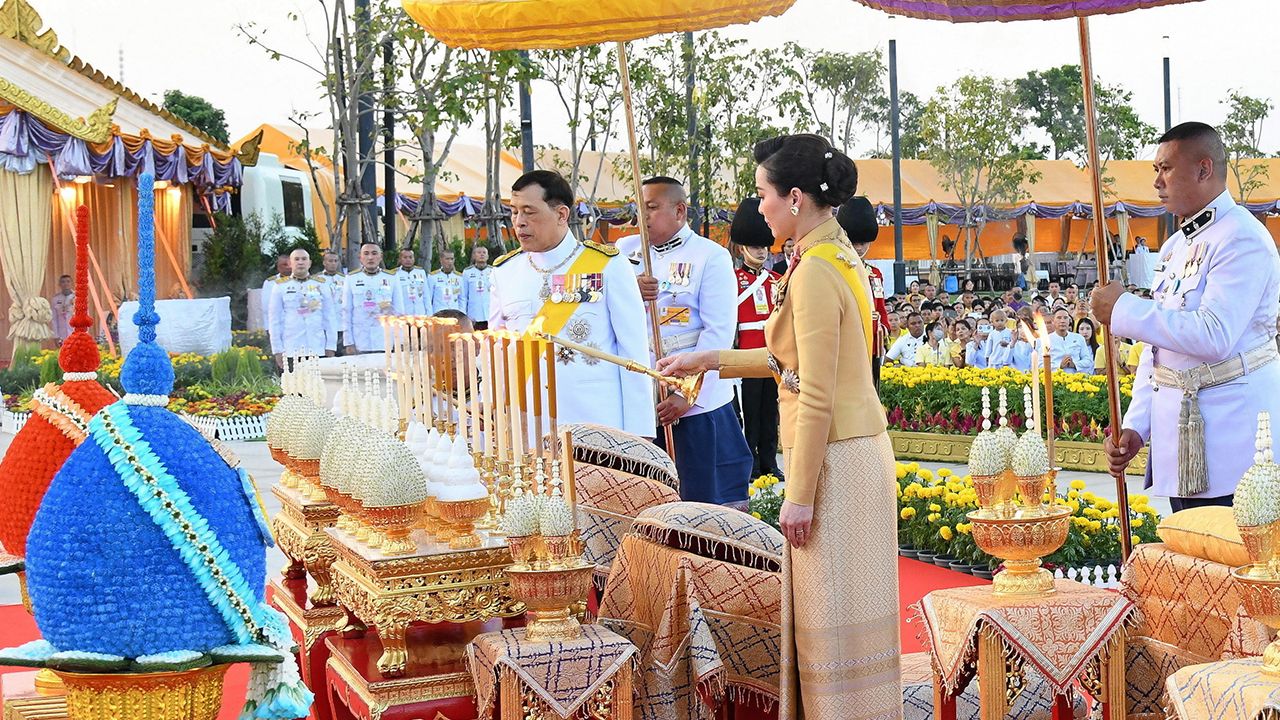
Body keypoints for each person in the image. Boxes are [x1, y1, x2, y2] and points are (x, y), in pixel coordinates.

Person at [657, 134, 898, 720]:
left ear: (794, 198)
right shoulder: (836, 253)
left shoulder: (815, 269)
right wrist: (712, 359)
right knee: (850, 625)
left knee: (831, 623)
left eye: (762, 193)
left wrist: (797, 497)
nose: (758, 206)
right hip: (854, 449)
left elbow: (814, 390)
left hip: (834, 459)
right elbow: (793, 364)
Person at [1095, 121, 1280, 511]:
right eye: (1156, 170)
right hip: (1181, 438)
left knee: (1236, 562)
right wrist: (1137, 425)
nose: (1157, 182)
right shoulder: (1175, 246)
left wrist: (1124, 308)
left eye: (1166, 168)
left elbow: (1215, 335)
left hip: (1236, 437)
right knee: (1191, 561)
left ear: (1203, 169)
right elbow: (1158, 352)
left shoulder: (1242, 237)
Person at [489, 170, 655, 438]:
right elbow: (497, 352)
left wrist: (640, 432)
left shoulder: (608, 265)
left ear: (561, 214)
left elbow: (633, 353)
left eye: (529, 212)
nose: (519, 222)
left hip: (595, 425)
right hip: (528, 427)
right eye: (514, 212)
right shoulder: (504, 272)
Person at [617, 176, 748, 506]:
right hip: (639, 396)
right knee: (644, 501)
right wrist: (629, 291)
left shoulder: (710, 256)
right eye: (639, 207)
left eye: (651, 207)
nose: (642, 216)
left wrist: (685, 393)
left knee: (701, 501)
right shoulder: (621, 253)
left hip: (693, 399)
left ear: (679, 210)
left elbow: (717, 331)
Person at [729, 197, 784, 481]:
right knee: (750, 413)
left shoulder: (775, 279)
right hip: (746, 354)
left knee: (770, 411)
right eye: (754, 246)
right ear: (741, 248)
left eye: (763, 246)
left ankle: (769, 462)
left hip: (772, 354)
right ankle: (749, 464)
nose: (761, 251)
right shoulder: (733, 278)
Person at [837, 197, 889, 385]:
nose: (859, 248)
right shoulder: (838, 271)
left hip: (873, 343)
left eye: (863, 243)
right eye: (855, 242)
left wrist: (884, 330)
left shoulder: (874, 274)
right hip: (848, 342)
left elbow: (880, 309)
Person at [268, 248, 337, 368]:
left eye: (304, 259)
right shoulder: (280, 286)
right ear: (290, 263)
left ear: (309, 263)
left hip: (317, 347)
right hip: (291, 348)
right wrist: (277, 350)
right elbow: (274, 320)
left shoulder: (321, 284)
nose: (300, 262)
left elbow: (330, 317)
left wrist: (331, 346)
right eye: (296, 259)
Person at [342, 241, 405, 353]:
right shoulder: (351, 279)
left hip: (384, 338)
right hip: (360, 339)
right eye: (366, 253)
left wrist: (399, 340)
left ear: (380, 257)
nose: (370, 257)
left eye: (374, 253)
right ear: (360, 257)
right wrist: (348, 342)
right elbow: (347, 311)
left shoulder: (391, 278)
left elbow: (399, 311)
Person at [1048, 308, 1094, 374]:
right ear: (1053, 321)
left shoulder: (1079, 338)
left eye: (1065, 318)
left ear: (1069, 321)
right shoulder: (1047, 340)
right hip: (1055, 378)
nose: (1062, 321)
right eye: (1059, 318)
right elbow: (1041, 364)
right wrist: (1059, 365)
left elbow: (1088, 361)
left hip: (1076, 379)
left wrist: (1074, 364)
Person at [320, 249, 347, 353]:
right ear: (324, 262)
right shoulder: (317, 279)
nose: (333, 264)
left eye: (336, 261)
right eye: (330, 261)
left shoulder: (345, 279)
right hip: (325, 325)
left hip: (341, 324)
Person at [462, 245, 493, 330]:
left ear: (487, 256)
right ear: (474, 256)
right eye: (479, 253)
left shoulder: (493, 271)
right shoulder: (467, 272)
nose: (481, 255)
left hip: (490, 314)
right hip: (474, 315)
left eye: (484, 253)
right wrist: (465, 316)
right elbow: (464, 296)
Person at [395, 248, 431, 316]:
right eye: (405, 257)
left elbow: (426, 295)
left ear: (414, 259)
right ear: (400, 259)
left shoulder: (421, 272)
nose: (408, 260)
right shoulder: (395, 274)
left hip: (420, 314)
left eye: (410, 257)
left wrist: (429, 314)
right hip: (404, 314)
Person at [260, 254, 290, 330]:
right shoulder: (270, 283)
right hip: (276, 326)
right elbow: (267, 306)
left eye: (290, 264)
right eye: (284, 264)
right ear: (278, 267)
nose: (288, 267)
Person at [50, 274, 74, 344]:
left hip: (75, 332)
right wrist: (56, 336)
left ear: (72, 283)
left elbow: (84, 316)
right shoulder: (55, 299)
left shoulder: (78, 297)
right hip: (61, 334)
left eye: (68, 281)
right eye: (63, 282)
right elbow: (54, 319)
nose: (66, 284)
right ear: (59, 284)